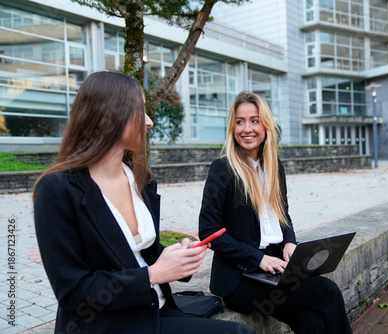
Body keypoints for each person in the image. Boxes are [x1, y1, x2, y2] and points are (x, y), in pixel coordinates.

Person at [33, 71, 255, 334]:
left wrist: (177, 257)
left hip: (156, 312)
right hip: (106, 325)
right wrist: (153, 275)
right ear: (109, 114)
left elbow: (142, 252)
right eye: (140, 111)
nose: (149, 122)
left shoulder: (142, 179)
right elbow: (73, 293)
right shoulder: (57, 190)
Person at [198, 91, 353, 333]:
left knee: (310, 322)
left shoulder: (274, 167)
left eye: (254, 120)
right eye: (240, 121)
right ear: (232, 126)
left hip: (274, 271)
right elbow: (209, 231)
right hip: (240, 281)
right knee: (327, 291)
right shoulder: (222, 169)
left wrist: (290, 242)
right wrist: (258, 258)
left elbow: (283, 215)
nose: (246, 129)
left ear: (266, 125)